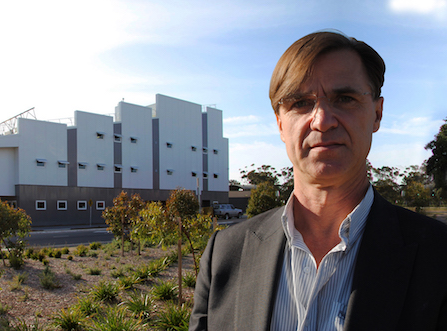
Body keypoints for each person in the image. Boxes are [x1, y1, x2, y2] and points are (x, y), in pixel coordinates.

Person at [189, 31, 447, 331]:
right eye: (300, 102)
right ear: (280, 124)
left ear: (377, 113)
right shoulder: (225, 253)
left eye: (345, 98)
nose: (322, 120)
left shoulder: (438, 257)